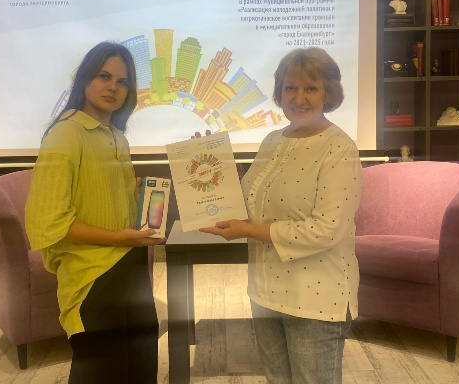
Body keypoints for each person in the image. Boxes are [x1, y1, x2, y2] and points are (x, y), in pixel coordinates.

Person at [200, 47, 362, 384]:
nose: (299, 98)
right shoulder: (273, 140)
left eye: (311, 88)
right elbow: (248, 203)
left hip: (315, 299)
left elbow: (326, 229)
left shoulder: (339, 148)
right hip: (265, 292)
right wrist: (205, 160)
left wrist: (249, 231)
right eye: (290, 88)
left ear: (328, 93)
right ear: (279, 93)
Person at [25, 41, 164, 384]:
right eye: (104, 76)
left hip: (129, 263)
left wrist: (137, 197)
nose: (113, 87)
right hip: (92, 275)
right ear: (85, 78)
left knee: (140, 365)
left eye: (122, 81)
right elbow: (49, 221)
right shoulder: (66, 134)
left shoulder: (117, 137)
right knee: (103, 371)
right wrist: (119, 238)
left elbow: (108, 202)